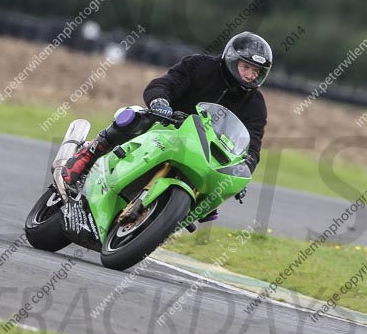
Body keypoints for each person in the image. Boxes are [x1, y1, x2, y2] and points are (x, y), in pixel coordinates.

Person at [61, 31, 271, 220]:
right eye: (246, 67)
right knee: (134, 116)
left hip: (206, 153)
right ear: (231, 59)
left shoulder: (256, 105)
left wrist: (242, 170)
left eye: (257, 71)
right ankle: (88, 156)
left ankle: (167, 222)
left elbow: (252, 146)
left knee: (216, 193)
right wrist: (160, 102)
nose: (250, 75)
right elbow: (165, 83)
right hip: (166, 126)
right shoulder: (200, 66)